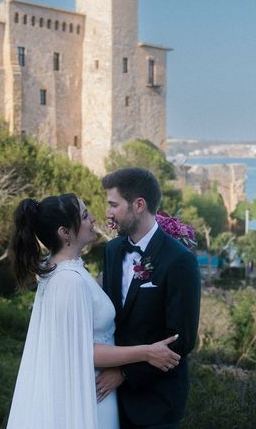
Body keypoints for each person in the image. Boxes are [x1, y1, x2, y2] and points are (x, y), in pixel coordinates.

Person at [6, 194, 182, 429]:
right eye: (85, 215)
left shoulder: (62, 269)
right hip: (90, 393)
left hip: (94, 387)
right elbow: (83, 351)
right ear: (65, 232)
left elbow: (93, 299)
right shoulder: (69, 282)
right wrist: (146, 352)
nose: (93, 219)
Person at [99, 168, 202, 428]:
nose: (108, 213)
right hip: (109, 401)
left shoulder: (179, 260)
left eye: (113, 205)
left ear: (139, 205)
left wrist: (123, 373)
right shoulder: (111, 251)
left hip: (156, 403)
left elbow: (182, 340)